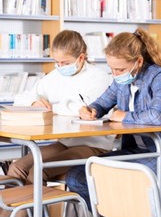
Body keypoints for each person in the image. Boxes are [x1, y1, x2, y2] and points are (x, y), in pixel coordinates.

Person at [65, 28, 161, 207]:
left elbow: (158, 117)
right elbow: (102, 103)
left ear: (138, 62)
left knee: (107, 178)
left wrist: (125, 116)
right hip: (136, 152)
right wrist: (91, 110)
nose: (115, 74)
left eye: (120, 69)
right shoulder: (122, 81)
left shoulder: (159, 77)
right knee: (77, 176)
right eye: (112, 69)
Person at [7, 30, 114, 185]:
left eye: (65, 63)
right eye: (57, 62)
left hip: (94, 146)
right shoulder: (54, 77)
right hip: (65, 143)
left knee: (37, 171)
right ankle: (21, 210)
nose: (60, 66)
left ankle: (28, 209)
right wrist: (33, 103)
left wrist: (53, 108)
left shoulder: (99, 78)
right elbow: (20, 98)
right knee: (17, 168)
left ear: (81, 58)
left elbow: (85, 109)